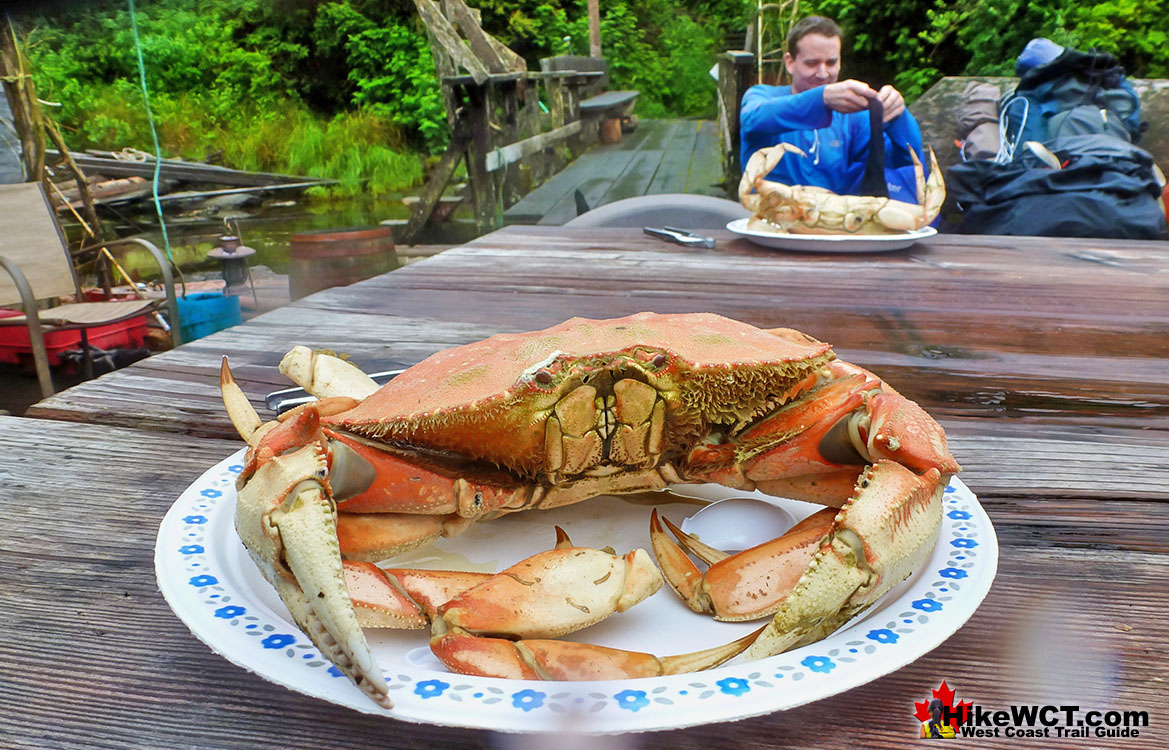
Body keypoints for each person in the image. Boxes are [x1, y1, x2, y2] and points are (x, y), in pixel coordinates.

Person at [739, 16, 927, 204]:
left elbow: (905, 159)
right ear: (790, 62)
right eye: (811, 63)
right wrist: (821, 98)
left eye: (831, 63)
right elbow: (752, 118)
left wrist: (898, 119)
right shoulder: (762, 96)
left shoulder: (852, 118)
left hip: (830, 224)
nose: (823, 73)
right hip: (768, 220)